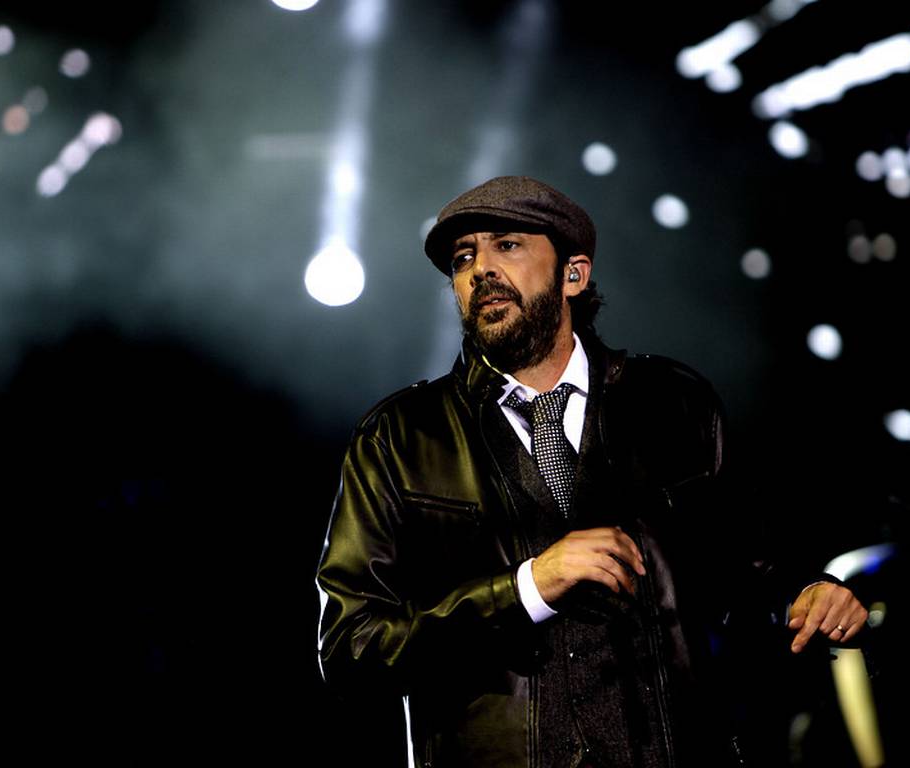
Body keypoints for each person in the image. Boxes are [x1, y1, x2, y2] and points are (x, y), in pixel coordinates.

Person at [315, 176, 868, 767]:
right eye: (463, 258)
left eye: (507, 245)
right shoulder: (399, 437)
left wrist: (807, 594)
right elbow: (352, 650)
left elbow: (749, 571)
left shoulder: (676, 404)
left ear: (573, 274)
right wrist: (528, 587)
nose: (480, 270)